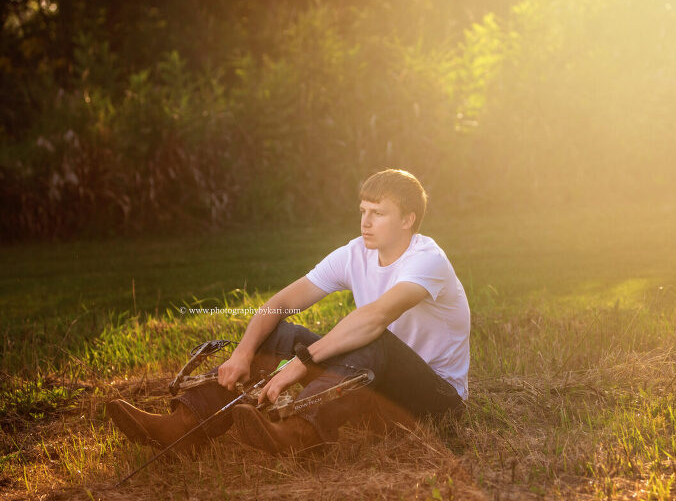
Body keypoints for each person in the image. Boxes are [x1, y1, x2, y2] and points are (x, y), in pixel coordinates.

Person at [107, 168, 471, 455]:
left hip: (434, 402)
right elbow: (277, 304)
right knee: (280, 333)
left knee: (373, 339)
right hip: (373, 388)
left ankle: (300, 434)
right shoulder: (354, 253)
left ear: (408, 220)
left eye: (379, 213)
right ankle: (182, 427)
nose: (365, 221)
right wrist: (243, 354)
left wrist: (300, 363)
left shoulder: (427, 260)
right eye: (363, 211)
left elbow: (374, 319)